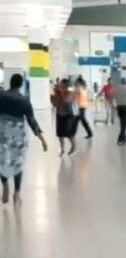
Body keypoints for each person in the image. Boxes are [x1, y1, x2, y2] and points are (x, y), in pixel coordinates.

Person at [0, 74, 48, 205]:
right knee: (18, 163)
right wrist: (42, 140)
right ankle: (17, 193)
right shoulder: (25, 100)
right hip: (17, 136)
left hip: (2, 133)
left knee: (2, 161)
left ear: (10, 82)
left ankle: (5, 185)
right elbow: (32, 121)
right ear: (21, 85)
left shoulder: (1, 95)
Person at [52, 79, 77, 156]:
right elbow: (55, 104)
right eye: (60, 85)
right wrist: (55, 94)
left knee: (69, 133)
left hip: (68, 116)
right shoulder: (58, 92)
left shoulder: (70, 92)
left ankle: (73, 147)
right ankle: (62, 149)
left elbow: (65, 101)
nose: (60, 87)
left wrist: (60, 92)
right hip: (59, 115)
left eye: (62, 85)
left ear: (66, 86)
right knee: (60, 134)